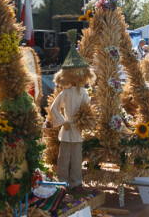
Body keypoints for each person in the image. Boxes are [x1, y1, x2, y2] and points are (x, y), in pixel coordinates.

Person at [50, 29, 95, 193]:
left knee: (77, 158)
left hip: (78, 129)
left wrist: (85, 121)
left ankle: (76, 182)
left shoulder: (84, 93)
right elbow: (54, 108)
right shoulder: (66, 93)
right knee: (64, 158)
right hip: (68, 128)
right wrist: (63, 121)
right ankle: (62, 182)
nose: (78, 78)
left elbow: (87, 110)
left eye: (80, 74)